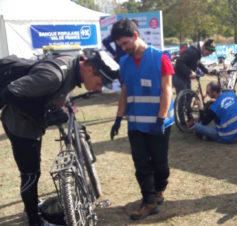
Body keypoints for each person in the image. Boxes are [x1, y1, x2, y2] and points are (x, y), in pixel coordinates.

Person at [0, 50, 119, 226]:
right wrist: (44, 114)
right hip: (20, 125)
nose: (99, 89)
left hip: (30, 122)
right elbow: (10, 92)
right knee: (31, 175)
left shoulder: (73, 66)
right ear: (89, 69)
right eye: (100, 83)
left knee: (33, 171)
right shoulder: (54, 76)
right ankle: (34, 221)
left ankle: (31, 205)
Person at [110, 18, 175, 220]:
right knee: (141, 164)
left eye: (125, 43)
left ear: (135, 36)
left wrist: (160, 119)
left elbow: (167, 91)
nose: (123, 48)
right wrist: (119, 118)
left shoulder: (160, 58)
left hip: (159, 123)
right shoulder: (124, 62)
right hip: (136, 124)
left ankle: (159, 189)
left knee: (160, 163)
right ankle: (149, 202)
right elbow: (125, 90)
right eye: (119, 45)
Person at [174, 39, 216, 126]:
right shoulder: (193, 51)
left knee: (188, 99)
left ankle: (190, 120)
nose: (207, 55)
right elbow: (179, 62)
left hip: (185, 77)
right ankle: (182, 123)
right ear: (204, 47)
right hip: (179, 76)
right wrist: (189, 72)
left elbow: (197, 62)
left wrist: (206, 70)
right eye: (208, 53)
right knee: (182, 100)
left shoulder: (198, 51)